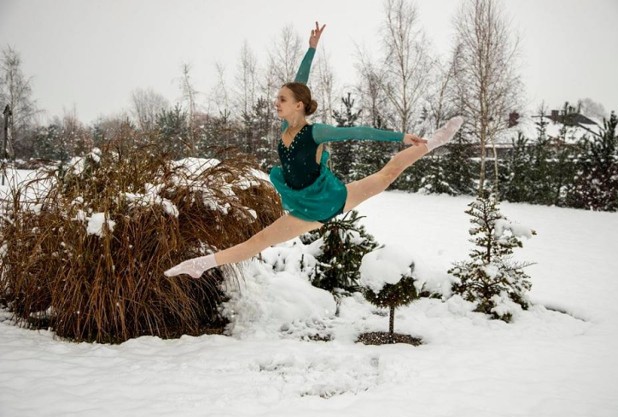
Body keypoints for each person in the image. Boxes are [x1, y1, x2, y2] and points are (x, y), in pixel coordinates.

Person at [165, 22, 463, 279]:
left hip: (332, 198)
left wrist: (400, 136)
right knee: (259, 240)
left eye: (282, 98)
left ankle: (434, 141)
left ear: (298, 105)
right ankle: (199, 265)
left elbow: (358, 131)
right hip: (304, 210)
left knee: (388, 174)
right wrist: (311, 49)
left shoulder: (315, 132)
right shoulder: (285, 130)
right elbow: (300, 81)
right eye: (277, 98)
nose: (276, 102)